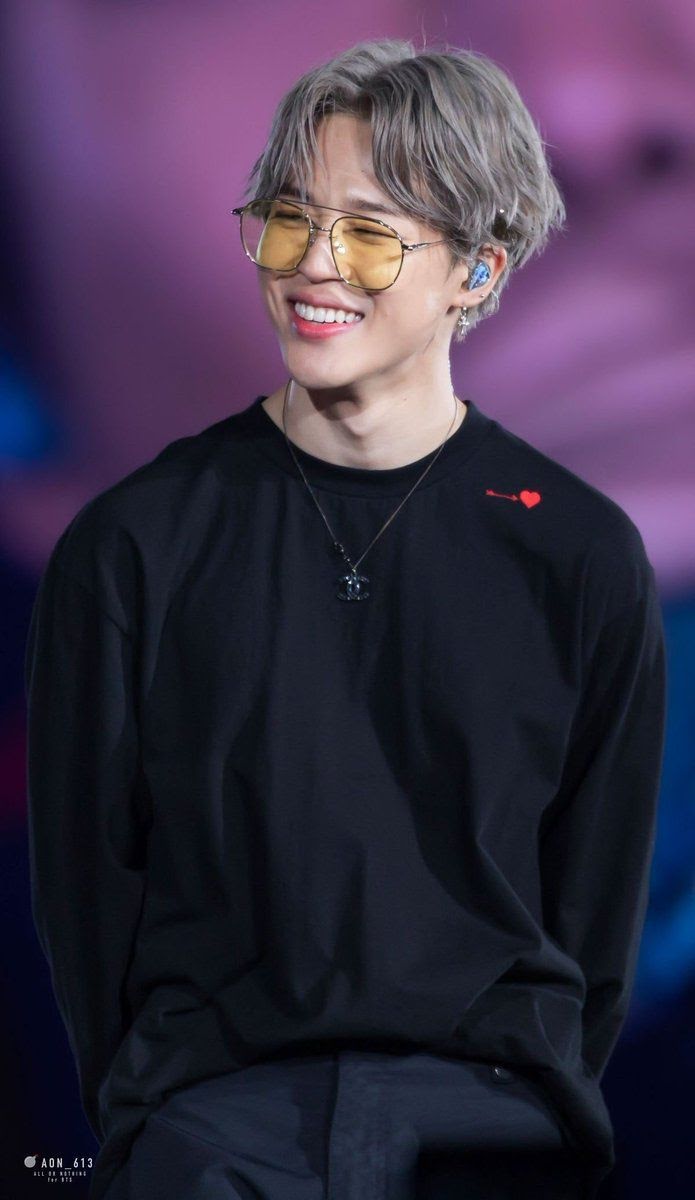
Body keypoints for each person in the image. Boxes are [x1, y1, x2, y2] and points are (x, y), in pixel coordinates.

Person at [24, 37, 667, 1200]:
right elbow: (87, 887)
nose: (313, 267)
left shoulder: (575, 551)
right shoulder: (135, 542)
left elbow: (594, 901)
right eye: (286, 223)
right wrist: (161, 1109)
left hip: (494, 1130)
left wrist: (531, 1091)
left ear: (476, 269)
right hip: (206, 1128)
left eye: (372, 233)